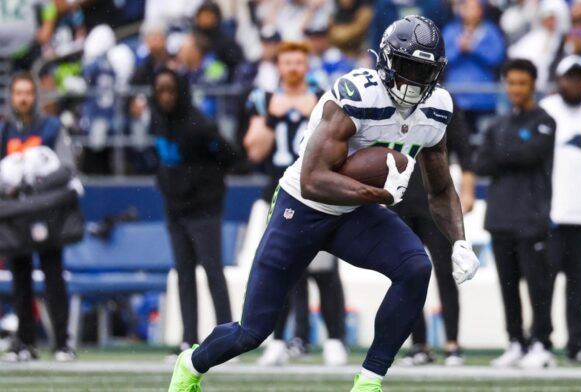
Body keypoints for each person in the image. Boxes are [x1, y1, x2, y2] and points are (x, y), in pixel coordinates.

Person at [168, 16, 480, 392]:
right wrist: (378, 195)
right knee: (252, 331)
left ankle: (369, 381)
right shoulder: (358, 94)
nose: (413, 81)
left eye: (423, 71)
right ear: (384, 61)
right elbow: (314, 180)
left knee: (415, 268)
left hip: (353, 213)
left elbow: (441, 189)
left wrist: (459, 241)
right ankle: (191, 364)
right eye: (407, 67)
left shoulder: (437, 109)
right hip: (301, 206)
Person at [243, 41, 347, 366]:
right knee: (280, 269)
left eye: (298, 61)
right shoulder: (264, 101)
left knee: (325, 271)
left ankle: (334, 340)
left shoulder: (324, 100)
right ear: (278, 66)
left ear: (307, 65)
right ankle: (277, 339)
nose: (292, 67)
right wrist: (275, 118)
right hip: (281, 193)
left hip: (317, 194)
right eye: (286, 61)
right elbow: (254, 150)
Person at [475, 58, 557, 369]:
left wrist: (502, 154)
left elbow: (529, 154)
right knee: (507, 286)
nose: (516, 89)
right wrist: (507, 154)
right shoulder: (498, 124)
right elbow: (481, 164)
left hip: (532, 216)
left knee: (538, 284)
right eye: (511, 83)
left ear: (533, 84)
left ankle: (541, 342)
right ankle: (515, 341)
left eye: (522, 83)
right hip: (500, 217)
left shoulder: (545, 120)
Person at [150, 68, 235, 355]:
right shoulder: (157, 120)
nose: (165, 97)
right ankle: (189, 338)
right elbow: (159, 161)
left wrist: (204, 186)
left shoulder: (200, 125)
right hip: (174, 208)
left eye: (170, 90)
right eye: (160, 90)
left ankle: (226, 336)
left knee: (213, 271)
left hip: (204, 208)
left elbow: (230, 156)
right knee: (184, 273)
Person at [0, 73, 75, 362]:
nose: (23, 98)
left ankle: (62, 343)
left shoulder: (52, 127)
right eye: (18, 92)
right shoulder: (5, 130)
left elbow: (66, 168)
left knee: (53, 274)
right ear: (11, 96)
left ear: (36, 96)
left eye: (28, 93)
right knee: (20, 277)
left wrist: (35, 179)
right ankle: (25, 342)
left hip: (46, 212)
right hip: (17, 214)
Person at [539, 56, 581, 365]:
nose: (574, 83)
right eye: (569, 77)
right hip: (553, 213)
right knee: (545, 283)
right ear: (559, 79)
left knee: (579, 286)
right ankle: (541, 342)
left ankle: (579, 344)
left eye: (579, 78)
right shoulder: (547, 109)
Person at [393, 106, 474, 367]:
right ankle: (419, 343)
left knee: (444, 273)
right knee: (407, 275)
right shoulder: (390, 103)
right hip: (400, 198)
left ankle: (452, 343)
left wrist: (468, 190)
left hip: (434, 199)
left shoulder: (444, 104)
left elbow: (463, 149)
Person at [442, 0, 506, 136]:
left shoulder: (491, 31)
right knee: (457, 140)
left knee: (485, 139)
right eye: (465, 6)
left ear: (482, 10)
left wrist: (474, 48)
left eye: (474, 7)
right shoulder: (450, 30)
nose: (469, 11)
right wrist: (458, 49)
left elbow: (497, 57)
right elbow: (442, 58)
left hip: (484, 98)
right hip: (456, 98)